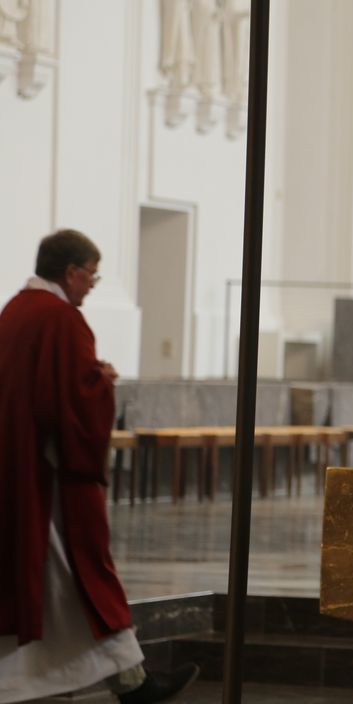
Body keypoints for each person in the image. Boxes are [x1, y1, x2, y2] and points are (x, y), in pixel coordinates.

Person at [0, 230, 198, 704]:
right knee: (82, 576)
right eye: (91, 274)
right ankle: (132, 685)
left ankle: (132, 681)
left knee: (54, 583)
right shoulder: (62, 319)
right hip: (50, 481)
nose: (91, 285)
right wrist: (102, 382)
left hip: (17, 471)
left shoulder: (13, 312)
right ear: (71, 271)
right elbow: (69, 402)